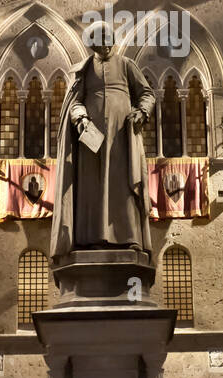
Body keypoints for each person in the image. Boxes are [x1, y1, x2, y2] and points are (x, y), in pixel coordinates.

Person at [50, 21, 156, 260]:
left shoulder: (127, 65)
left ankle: (130, 238)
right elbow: (74, 102)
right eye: (100, 39)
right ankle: (91, 238)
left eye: (109, 38)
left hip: (122, 136)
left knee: (123, 184)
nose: (106, 43)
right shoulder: (84, 70)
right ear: (92, 43)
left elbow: (147, 94)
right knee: (92, 186)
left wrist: (142, 111)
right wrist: (80, 119)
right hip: (91, 140)